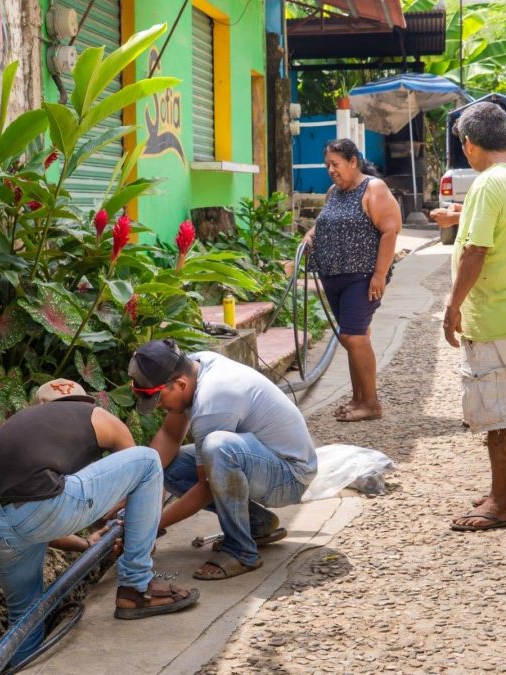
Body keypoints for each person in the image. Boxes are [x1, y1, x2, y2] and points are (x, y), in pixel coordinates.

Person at [0, 379, 199, 668]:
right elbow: (137, 474)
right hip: (43, 509)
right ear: (84, 401)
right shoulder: (93, 414)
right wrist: (137, 535)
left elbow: (23, 520)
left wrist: (86, 544)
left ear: (39, 406)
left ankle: (18, 666)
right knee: (149, 460)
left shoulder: (14, 428)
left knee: (25, 614)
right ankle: (137, 587)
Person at [129, 339, 317, 579]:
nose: (157, 407)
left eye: (158, 400)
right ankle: (256, 524)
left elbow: (206, 486)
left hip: (290, 476)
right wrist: (128, 497)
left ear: (179, 384)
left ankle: (240, 551)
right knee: (170, 468)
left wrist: (150, 527)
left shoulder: (212, 400)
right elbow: (169, 435)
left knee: (218, 448)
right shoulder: (193, 366)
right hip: (263, 460)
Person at [442, 102, 506, 532]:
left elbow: (475, 251)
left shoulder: (487, 185)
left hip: (493, 315)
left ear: (468, 144)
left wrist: (452, 306)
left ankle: (502, 502)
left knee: (497, 411)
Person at [303, 138, 402, 422]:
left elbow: (390, 230)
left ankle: (371, 403)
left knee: (353, 336)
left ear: (353, 162)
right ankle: (359, 397)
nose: (331, 170)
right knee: (352, 338)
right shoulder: (334, 192)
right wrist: (311, 236)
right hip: (333, 275)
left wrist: (379, 275)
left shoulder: (373, 188)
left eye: (336, 164)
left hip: (362, 276)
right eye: (328, 165)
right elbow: (325, 222)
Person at [431, 138, 506, 230]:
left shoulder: (505, 168)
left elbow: (504, 217)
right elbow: (502, 211)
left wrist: (453, 218)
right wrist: (465, 210)